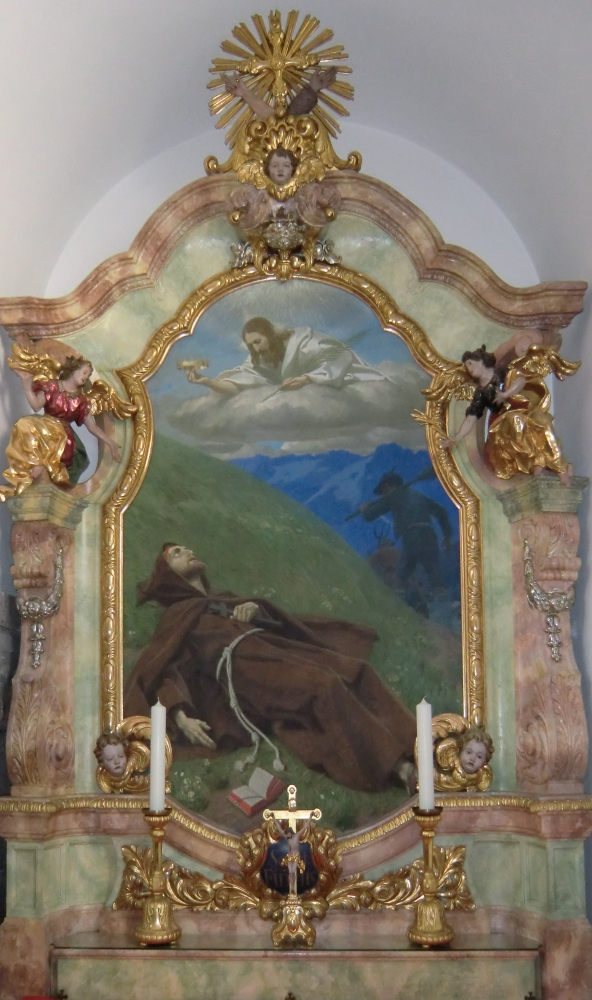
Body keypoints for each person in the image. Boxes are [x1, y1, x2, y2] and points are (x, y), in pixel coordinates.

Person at [124, 543, 417, 794]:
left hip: (275, 651)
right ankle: (400, 769)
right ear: (169, 576)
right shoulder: (177, 615)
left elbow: (268, 621)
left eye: (186, 548)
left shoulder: (222, 599)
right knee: (325, 685)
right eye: (177, 553)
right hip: (248, 671)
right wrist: (179, 714)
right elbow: (163, 667)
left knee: (356, 670)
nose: (187, 551)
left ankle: (418, 746)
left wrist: (255, 610)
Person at [442, 345, 572, 485]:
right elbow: (471, 418)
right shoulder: (481, 392)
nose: (469, 368)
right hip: (503, 421)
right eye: (466, 367)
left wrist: (506, 394)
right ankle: (535, 461)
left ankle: (559, 468)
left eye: (470, 363)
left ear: (481, 360)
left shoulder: (502, 373)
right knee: (515, 421)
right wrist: (457, 437)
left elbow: (521, 380)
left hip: (524, 409)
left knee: (543, 422)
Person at [1, 355, 122, 499]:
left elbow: (92, 427)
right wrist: (25, 382)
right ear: (73, 369)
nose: (86, 377)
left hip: (62, 433)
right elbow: (35, 405)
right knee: (24, 425)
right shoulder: (51, 386)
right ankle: (26, 472)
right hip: (44, 423)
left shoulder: (80, 400)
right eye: (84, 372)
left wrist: (110, 442)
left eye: (88, 375)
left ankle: (40, 465)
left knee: (51, 435)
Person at [186, 317, 390, 396]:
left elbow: (340, 356)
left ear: (270, 335)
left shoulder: (304, 343)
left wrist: (308, 378)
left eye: (258, 342)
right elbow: (239, 383)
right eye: (251, 345)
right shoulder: (261, 360)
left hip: (362, 386)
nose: (256, 349)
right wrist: (209, 383)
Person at [357, 471, 452, 616]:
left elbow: (370, 516)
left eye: (383, 490)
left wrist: (364, 510)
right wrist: (447, 536)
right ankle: (448, 609)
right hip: (429, 536)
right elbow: (441, 511)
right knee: (433, 573)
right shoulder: (417, 496)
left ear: (389, 486)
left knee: (401, 575)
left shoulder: (393, 497)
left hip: (412, 537)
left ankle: (397, 609)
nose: (383, 494)